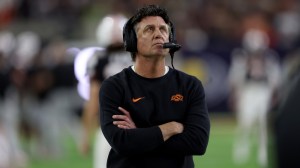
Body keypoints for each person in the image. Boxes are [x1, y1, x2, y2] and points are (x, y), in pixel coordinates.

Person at [99, 5, 210, 168]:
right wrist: (172, 127)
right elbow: (122, 142)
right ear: (132, 40)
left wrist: (139, 134)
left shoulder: (190, 85)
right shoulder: (114, 86)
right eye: (149, 29)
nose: (159, 34)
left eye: (163, 29)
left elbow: (198, 143)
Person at [79, 14, 132, 168]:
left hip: (110, 128)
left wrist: (85, 135)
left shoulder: (100, 61)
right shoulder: (138, 58)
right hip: (139, 127)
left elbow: (93, 100)